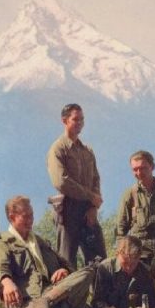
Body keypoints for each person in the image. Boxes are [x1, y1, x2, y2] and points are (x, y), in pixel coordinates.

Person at [47, 103, 106, 268]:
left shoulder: (87, 150)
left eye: (82, 119)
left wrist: (94, 206)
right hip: (68, 211)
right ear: (64, 121)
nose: (79, 123)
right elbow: (61, 181)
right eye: (75, 119)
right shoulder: (58, 149)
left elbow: (96, 178)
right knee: (66, 263)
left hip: (88, 211)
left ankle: (99, 294)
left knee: (99, 262)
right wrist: (90, 196)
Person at [116, 150, 155, 263]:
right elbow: (121, 229)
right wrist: (123, 253)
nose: (139, 172)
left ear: (152, 167)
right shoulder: (129, 194)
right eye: (135, 169)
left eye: (143, 168)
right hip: (138, 256)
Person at [92, 236, 155, 308]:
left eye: (133, 264)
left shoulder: (146, 273)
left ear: (139, 258)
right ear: (118, 253)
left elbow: (154, 306)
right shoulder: (105, 269)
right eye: (125, 263)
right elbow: (97, 301)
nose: (128, 268)